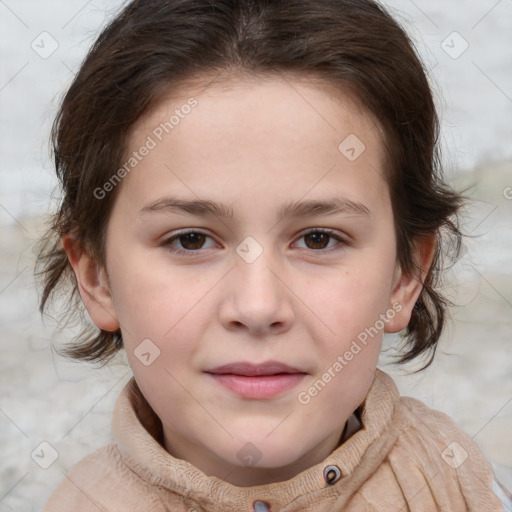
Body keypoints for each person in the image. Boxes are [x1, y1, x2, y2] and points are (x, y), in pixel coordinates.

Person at [36, 0, 511, 510]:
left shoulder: (463, 485)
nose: (258, 307)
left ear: (405, 274)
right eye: (191, 240)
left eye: (318, 239)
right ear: (97, 276)